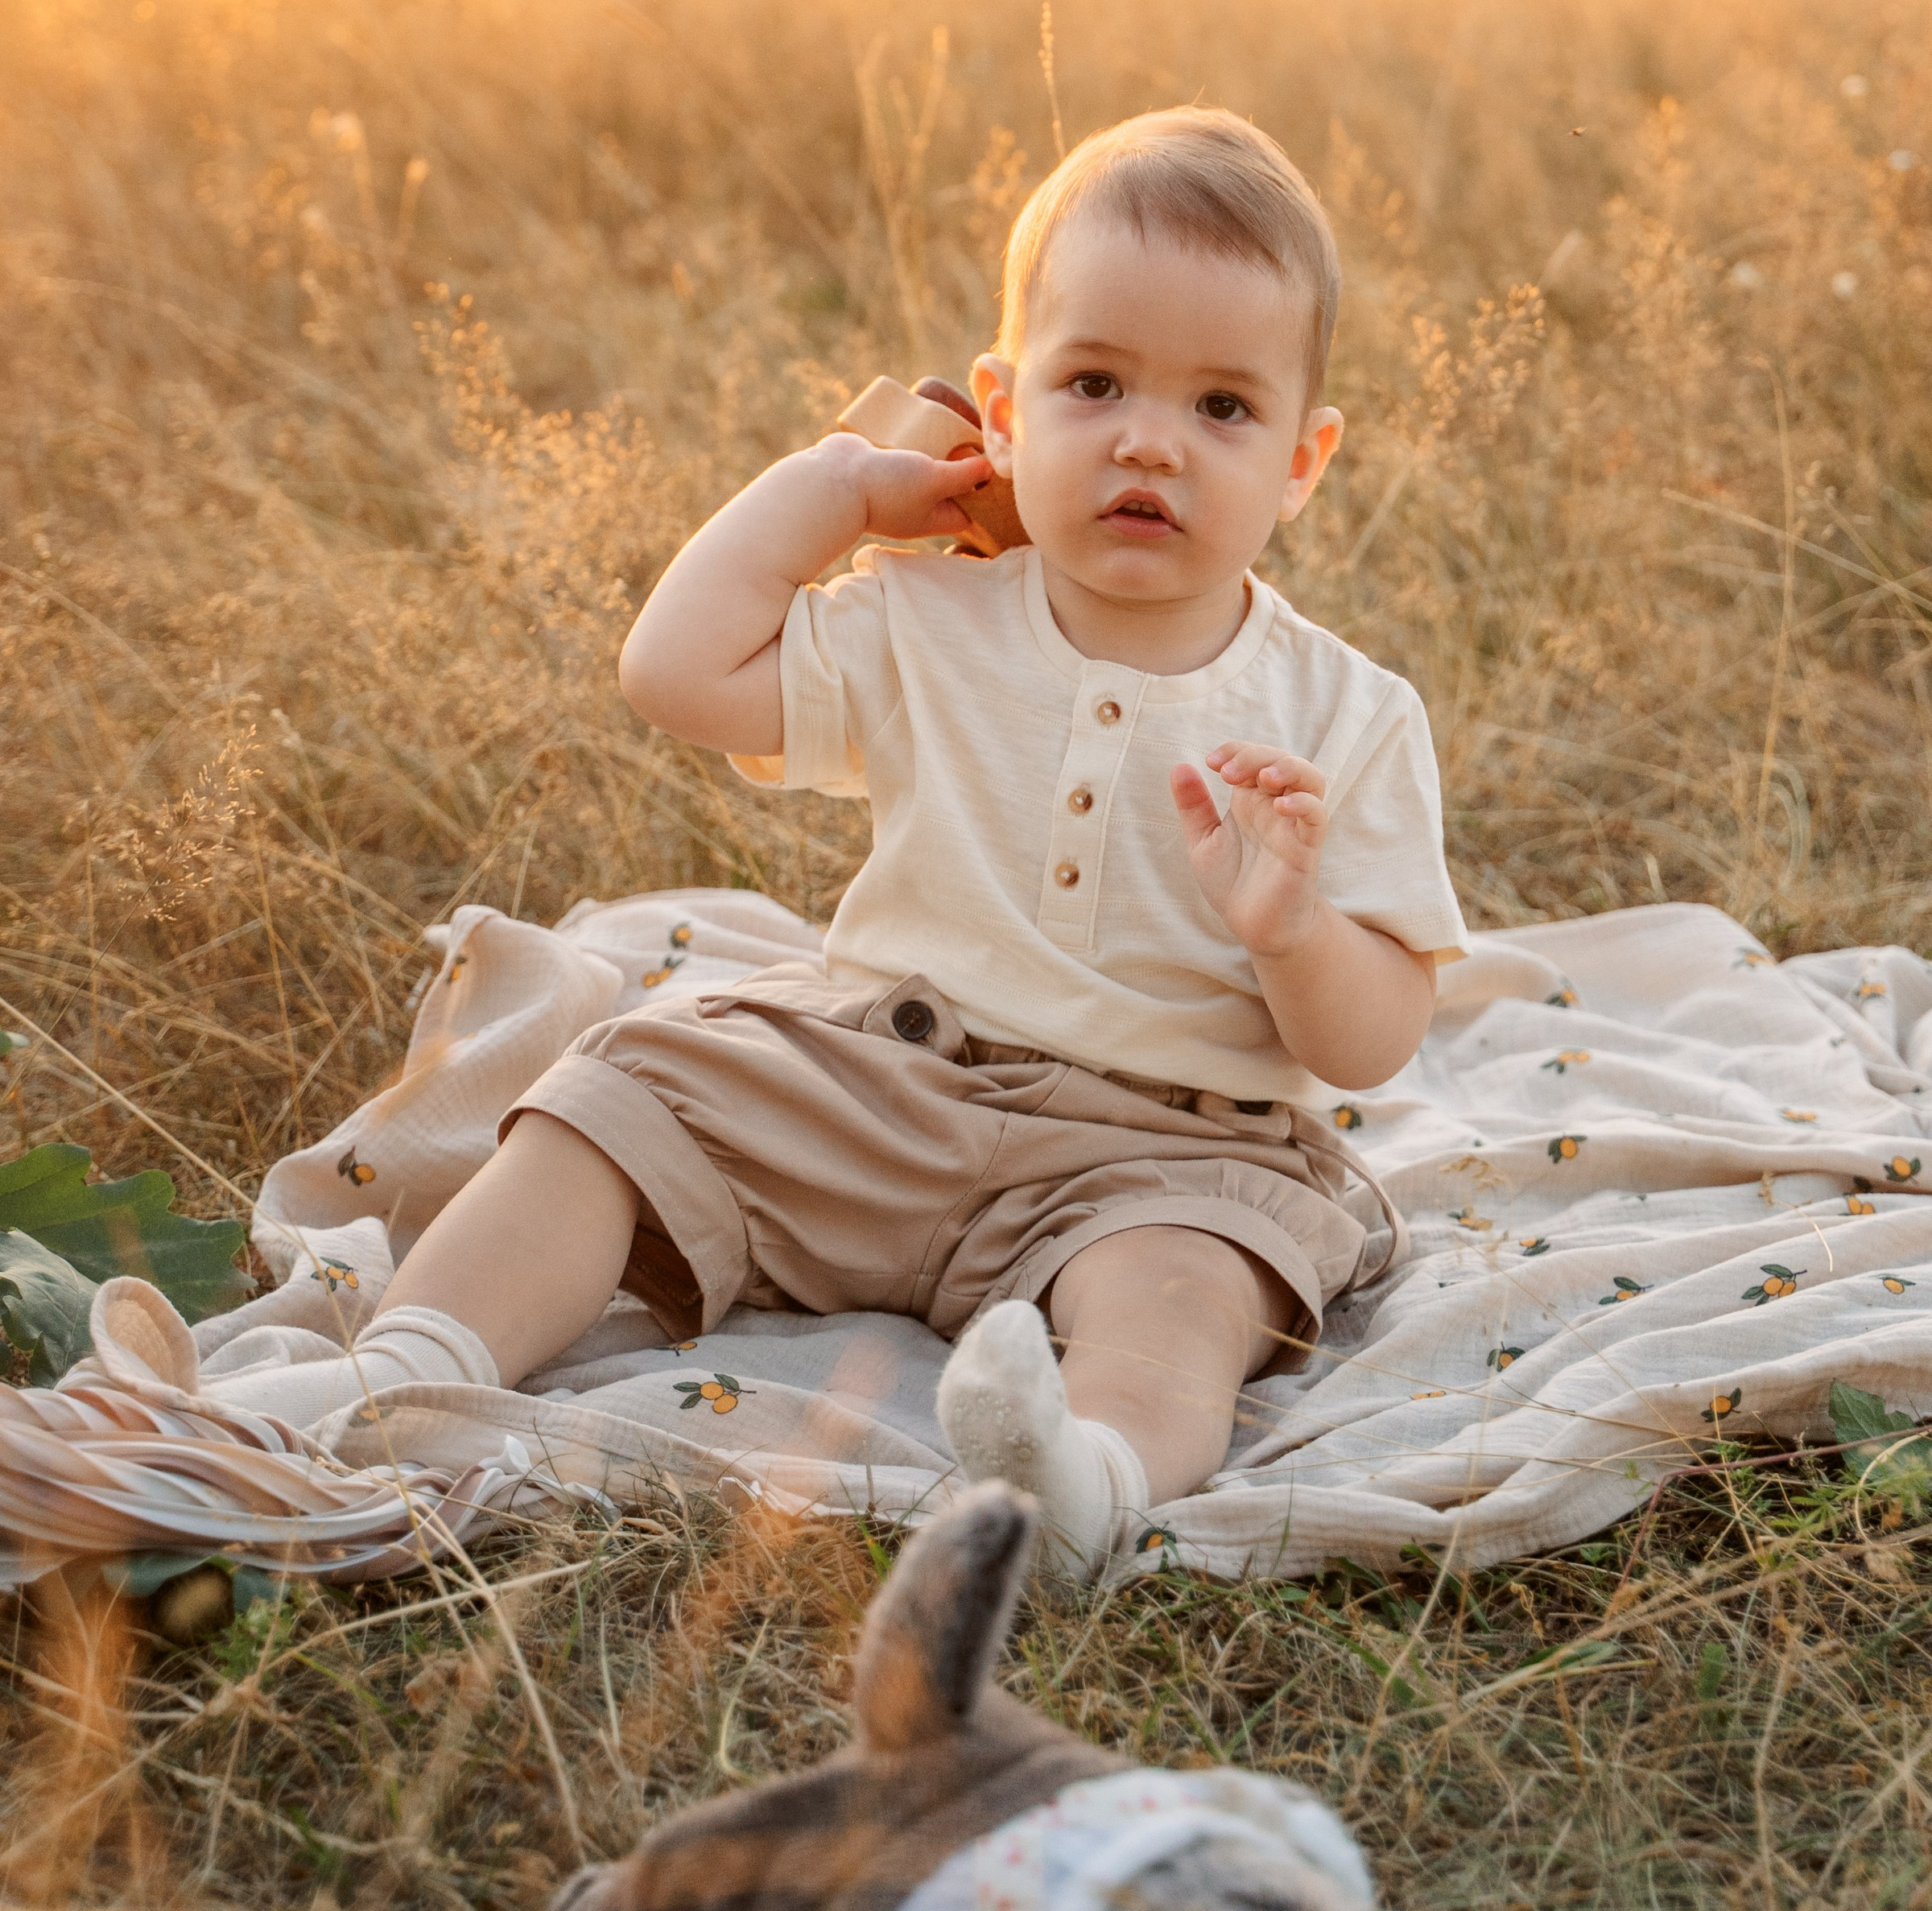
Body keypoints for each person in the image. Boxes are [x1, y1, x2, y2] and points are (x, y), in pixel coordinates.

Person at [218, 108, 1467, 1577]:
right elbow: (673, 675)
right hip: (876, 1077)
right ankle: (408, 1373)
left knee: (1196, 1286)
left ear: (1305, 460)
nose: (1148, 439)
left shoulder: (1346, 715)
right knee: (622, 1092)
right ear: (1003, 414)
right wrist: (836, 490)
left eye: (1224, 410)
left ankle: (1086, 1480)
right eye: (1096, 382)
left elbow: (1375, 1040)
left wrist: (1293, 931)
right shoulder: (930, 620)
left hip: (1152, 1153)